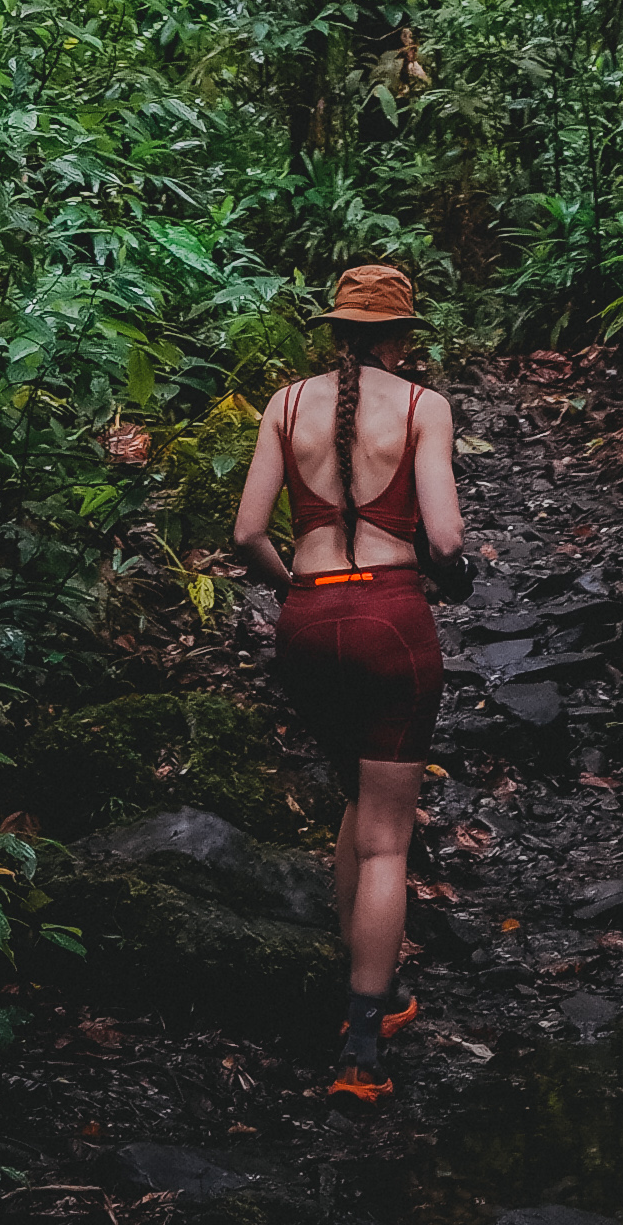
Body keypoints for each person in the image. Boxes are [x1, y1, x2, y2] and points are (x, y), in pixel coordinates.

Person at [229, 258, 468, 1100]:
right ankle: (364, 1046)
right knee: (386, 839)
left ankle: (352, 973)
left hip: (307, 621)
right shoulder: (423, 406)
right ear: (399, 339)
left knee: (355, 801)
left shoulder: (286, 404)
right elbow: (446, 538)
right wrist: (454, 573)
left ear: (336, 333)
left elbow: (247, 533)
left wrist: (296, 590)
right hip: (391, 622)